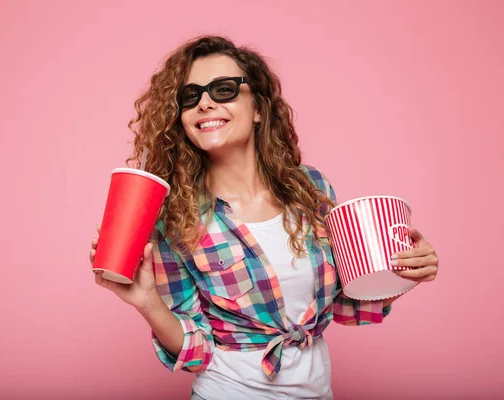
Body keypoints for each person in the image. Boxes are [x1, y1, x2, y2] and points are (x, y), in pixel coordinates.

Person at [88, 36, 439, 400]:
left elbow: (345, 306)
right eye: (189, 97)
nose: (205, 103)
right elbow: (196, 352)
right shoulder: (174, 215)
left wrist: (404, 272)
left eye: (223, 89)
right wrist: (148, 302)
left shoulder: (311, 188)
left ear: (257, 107)